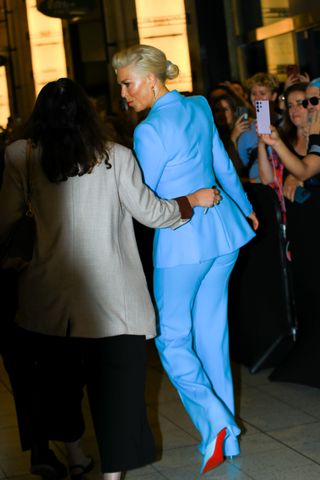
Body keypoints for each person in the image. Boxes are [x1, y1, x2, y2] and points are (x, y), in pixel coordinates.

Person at [0, 78, 217, 480]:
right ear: (89, 113)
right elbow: (152, 214)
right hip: (114, 304)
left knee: (60, 388)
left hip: (49, 301)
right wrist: (192, 201)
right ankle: (112, 476)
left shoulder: (21, 156)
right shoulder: (115, 156)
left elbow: (6, 220)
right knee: (117, 392)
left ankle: (78, 457)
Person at [112, 44, 259, 475]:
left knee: (172, 340)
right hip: (225, 232)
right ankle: (226, 439)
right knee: (212, 334)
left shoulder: (148, 131)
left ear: (152, 79)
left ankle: (218, 424)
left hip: (182, 244)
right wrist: (245, 205)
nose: (123, 94)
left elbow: (149, 200)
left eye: (127, 84)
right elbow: (222, 164)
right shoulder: (196, 106)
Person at [238, 72, 280, 181]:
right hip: (258, 190)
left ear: (274, 96)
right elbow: (240, 166)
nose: (257, 98)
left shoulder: (285, 124)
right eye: (253, 93)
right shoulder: (246, 129)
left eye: (262, 93)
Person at [211, 94, 250, 176]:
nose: (221, 114)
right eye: (217, 110)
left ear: (234, 112)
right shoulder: (212, 134)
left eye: (225, 110)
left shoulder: (243, 130)